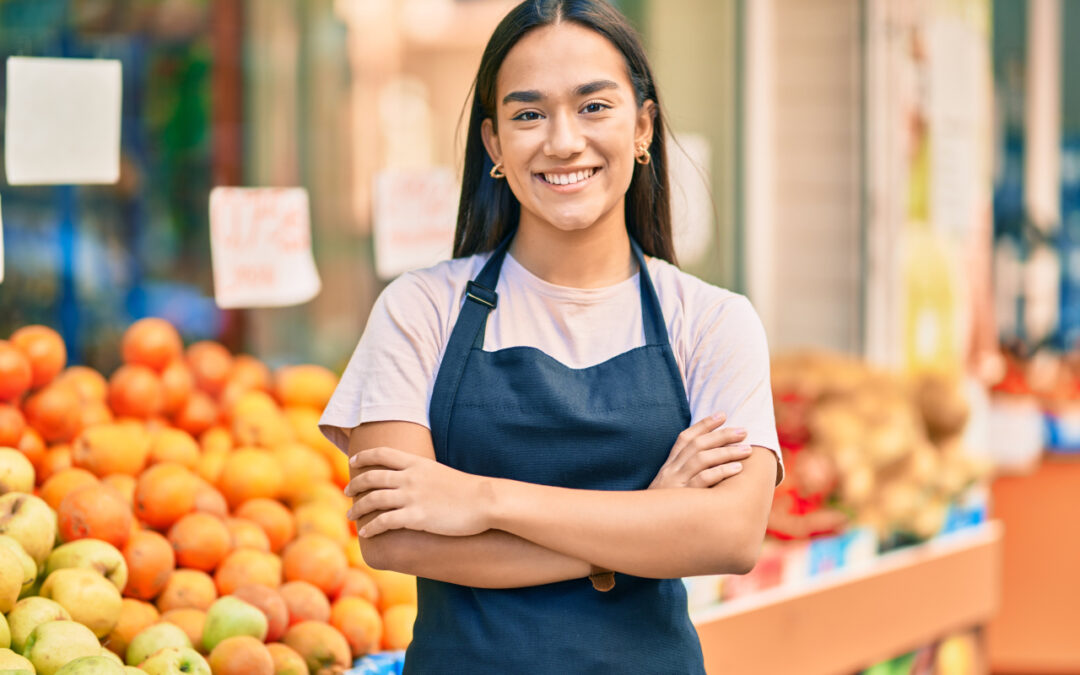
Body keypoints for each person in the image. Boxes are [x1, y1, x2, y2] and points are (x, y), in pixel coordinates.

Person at [320, 1, 783, 671]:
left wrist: (481, 499)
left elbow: (731, 535)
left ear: (643, 127)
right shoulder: (419, 309)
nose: (563, 141)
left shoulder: (711, 320)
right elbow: (395, 538)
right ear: (494, 145)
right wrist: (644, 524)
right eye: (529, 114)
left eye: (594, 107)